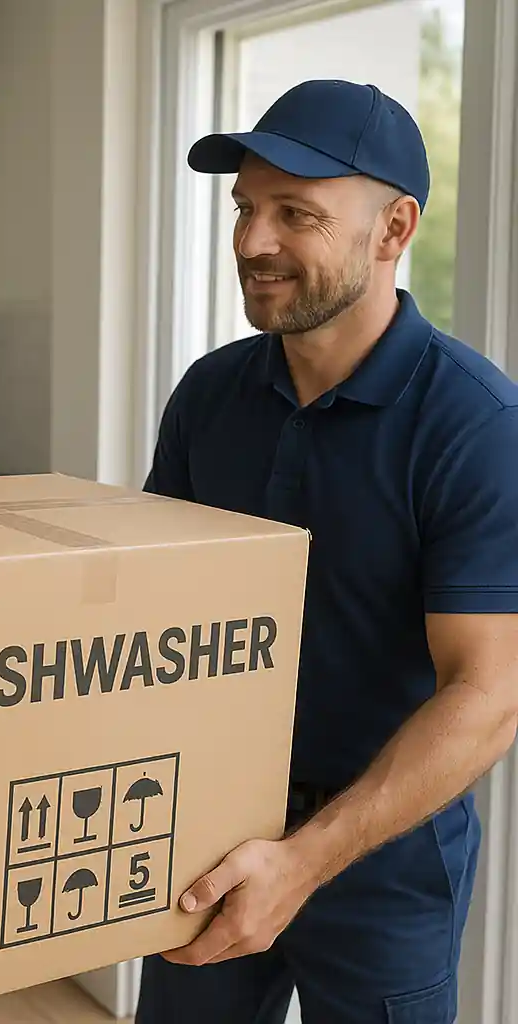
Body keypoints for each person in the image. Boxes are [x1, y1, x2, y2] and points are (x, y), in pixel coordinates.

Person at [137, 79, 518, 1024]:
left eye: (295, 213)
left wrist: (303, 861)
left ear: (394, 230)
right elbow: (151, 614)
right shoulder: (210, 396)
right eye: (245, 209)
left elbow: (490, 693)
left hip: (382, 854)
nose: (251, 241)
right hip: (203, 828)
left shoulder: (476, 424)